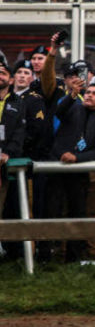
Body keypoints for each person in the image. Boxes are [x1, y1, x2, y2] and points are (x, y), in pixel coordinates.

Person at [46, 81, 95, 262]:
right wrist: (72, 94)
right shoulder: (73, 109)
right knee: (54, 210)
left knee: (77, 212)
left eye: (94, 93)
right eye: (87, 92)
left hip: (78, 174)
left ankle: (73, 257)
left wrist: (76, 158)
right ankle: (49, 254)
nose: (89, 95)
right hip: (56, 168)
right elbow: (59, 112)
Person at [0, 61, 27, 225]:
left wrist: (7, 153)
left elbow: (20, 131)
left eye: (3, 73)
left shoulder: (18, 102)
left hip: (3, 162)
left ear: (11, 80)